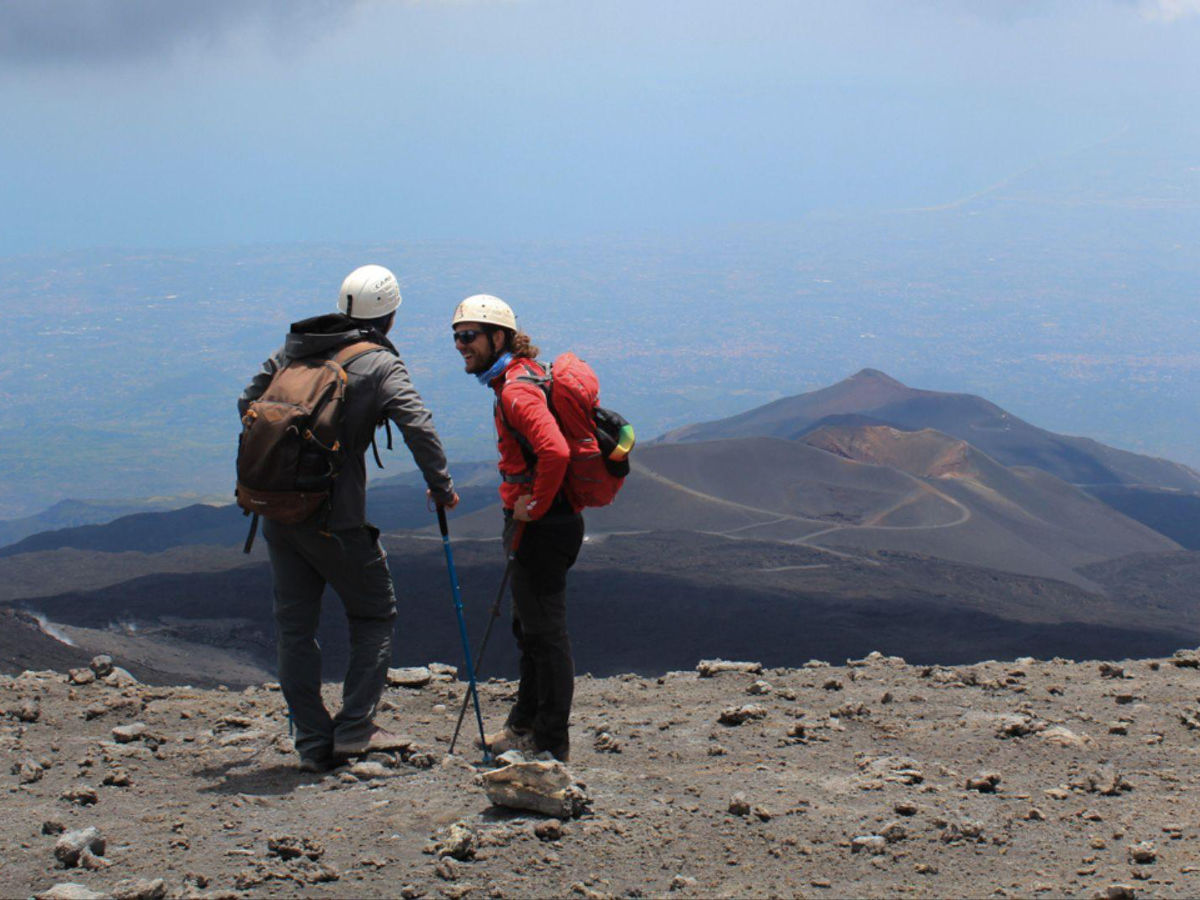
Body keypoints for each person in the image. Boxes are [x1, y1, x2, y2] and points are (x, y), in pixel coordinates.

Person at [239, 264, 459, 772]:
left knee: (294, 627)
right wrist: (441, 486)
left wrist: (286, 460)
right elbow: (417, 423)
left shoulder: (294, 349)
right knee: (374, 612)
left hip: (276, 512)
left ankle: (313, 743)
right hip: (336, 519)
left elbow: (246, 401)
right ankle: (356, 726)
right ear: (392, 313)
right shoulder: (378, 364)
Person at [451, 294, 584, 762]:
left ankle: (550, 746)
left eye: (469, 336)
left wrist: (535, 506)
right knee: (529, 628)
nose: (461, 345)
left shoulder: (515, 390)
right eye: (457, 336)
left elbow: (556, 451)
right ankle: (524, 727)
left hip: (542, 527)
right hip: (549, 522)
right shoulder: (521, 377)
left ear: (499, 337)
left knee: (545, 634)